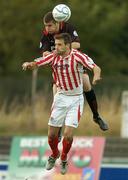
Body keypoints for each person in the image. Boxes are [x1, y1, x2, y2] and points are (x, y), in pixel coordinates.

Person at [22, 33, 102, 175]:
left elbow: (95, 67)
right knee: (52, 136)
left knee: (68, 135)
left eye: (59, 45)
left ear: (67, 45)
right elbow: (38, 63)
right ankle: (54, 154)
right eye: (56, 44)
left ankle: (64, 158)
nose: (56, 47)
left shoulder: (78, 56)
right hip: (60, 98)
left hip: (76, 99)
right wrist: (29, 64)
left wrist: (96, 77)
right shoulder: (53, 56)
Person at [39, 12, 108, 133]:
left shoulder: (68, 27)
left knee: (86, 84)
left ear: (57, 23)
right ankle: (58, 128)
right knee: (56, 94)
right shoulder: (45, 35)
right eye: (45, 25)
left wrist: (59, 49)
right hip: (59, 69)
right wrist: (54, 53)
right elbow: (44, 53)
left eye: (50, 25)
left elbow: (77, 44)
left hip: (74, 65)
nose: (47, 28)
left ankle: (96, 116)